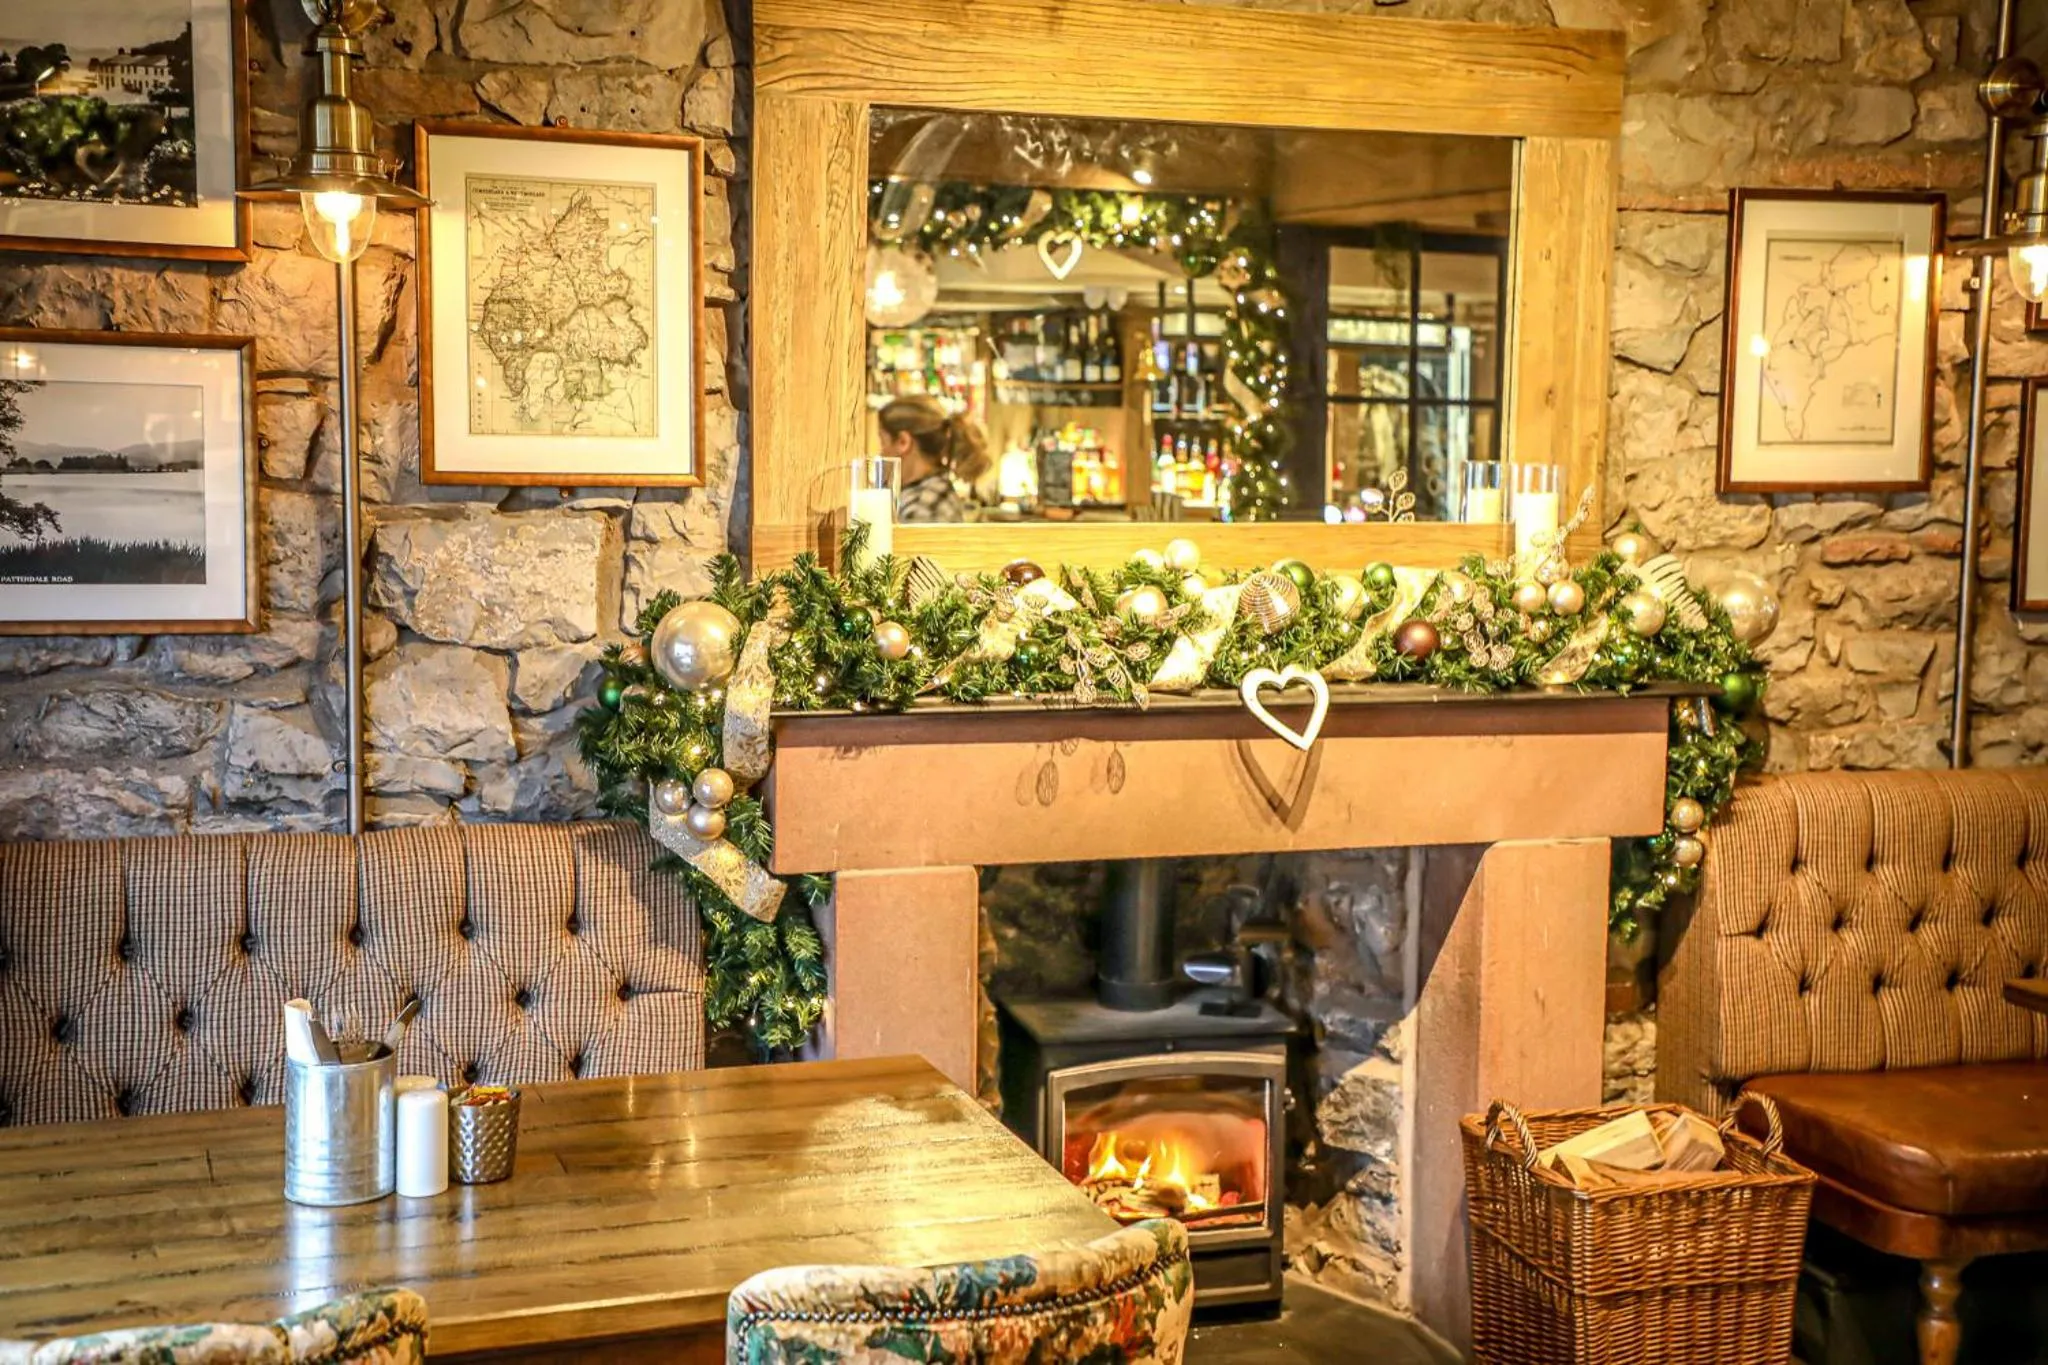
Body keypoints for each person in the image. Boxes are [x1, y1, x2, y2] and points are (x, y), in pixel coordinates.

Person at [878, 397, 990, 523]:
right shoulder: (933, 492)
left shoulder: (923, 508)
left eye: (882, 442)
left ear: (903, 442)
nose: (880, 453)